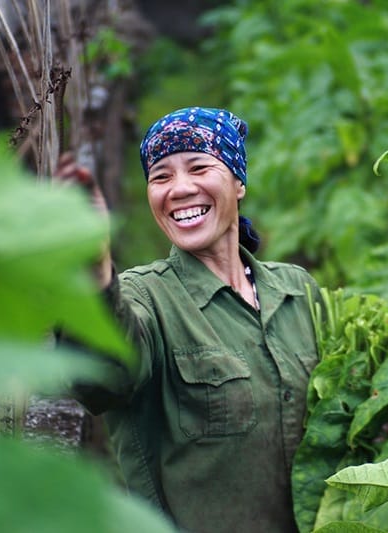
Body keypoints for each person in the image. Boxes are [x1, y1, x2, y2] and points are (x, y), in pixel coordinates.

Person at [57, 107, 322, 533]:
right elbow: (101, 380)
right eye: (160, 176)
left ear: (238, 183)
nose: (179, 189)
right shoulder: (144, 298)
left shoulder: (298, 291)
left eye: (198, 167)